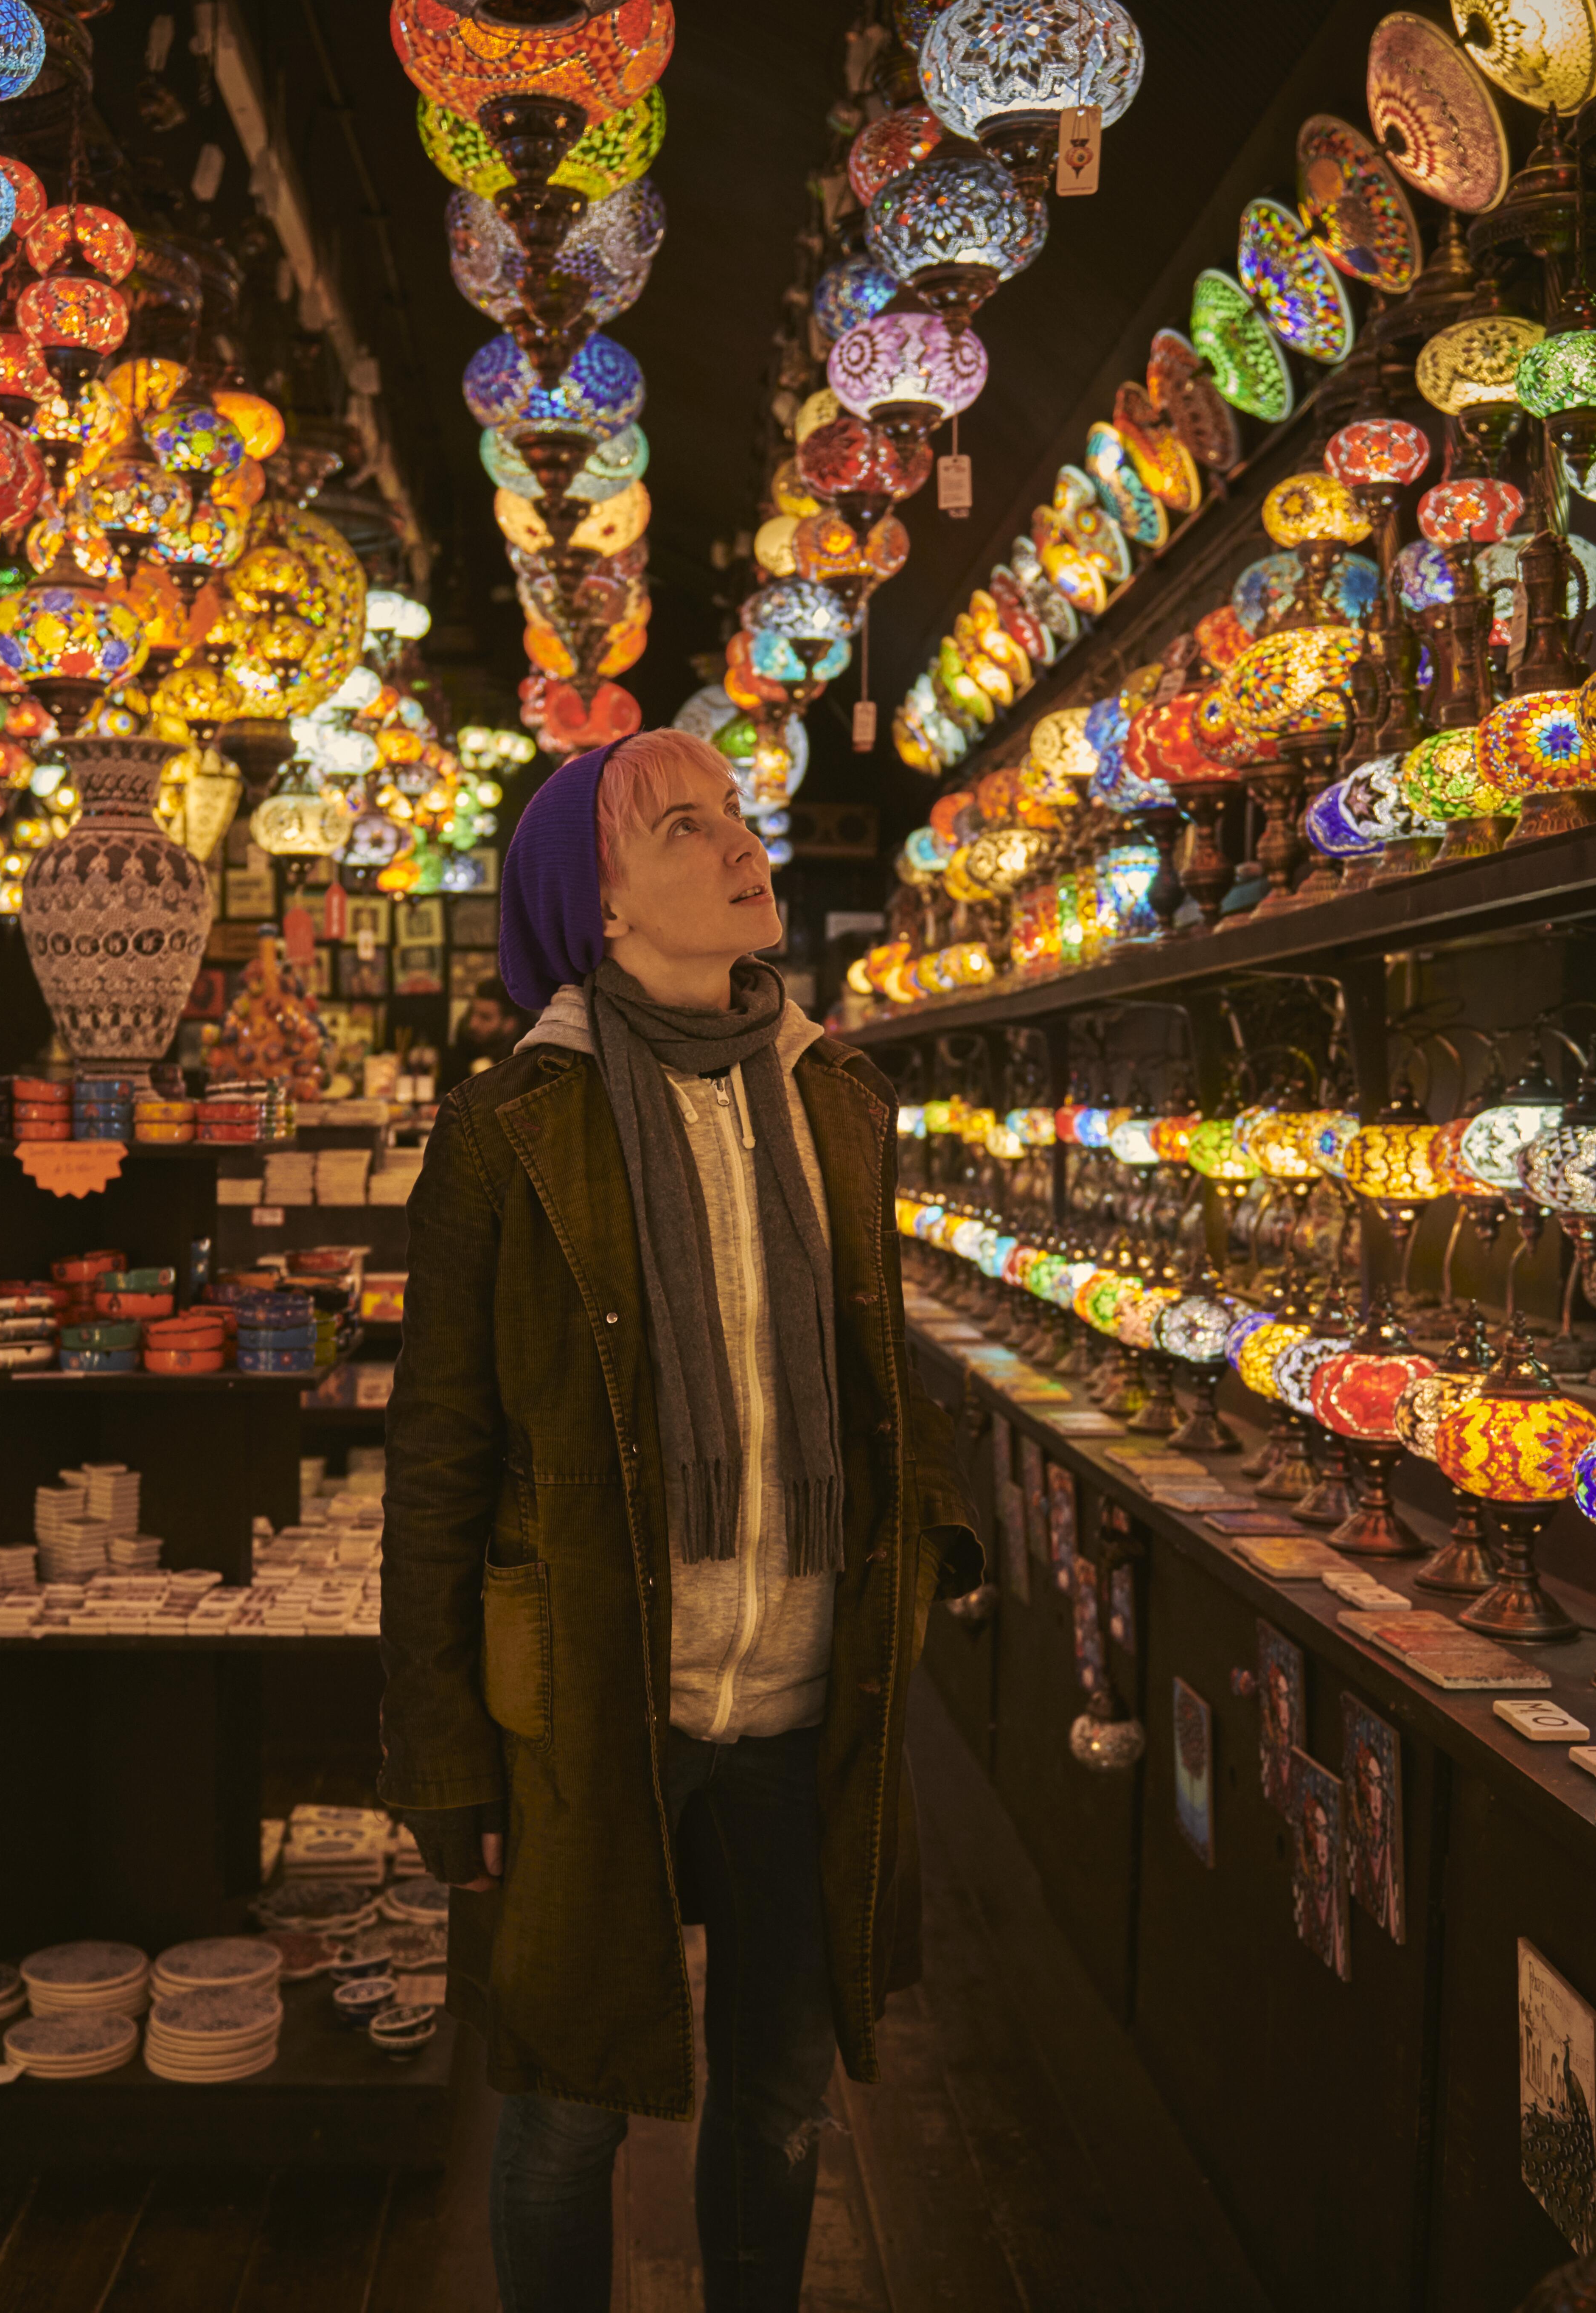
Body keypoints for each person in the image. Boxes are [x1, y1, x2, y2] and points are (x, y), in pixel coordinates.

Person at [378, 729, 978, 2313]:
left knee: (778, 2113)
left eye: (737, 815)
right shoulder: (513, 1126)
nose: (739, 844)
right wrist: (442, 1754)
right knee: (567, 2107)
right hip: (596, 1697)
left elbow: (863, 1376)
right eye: (686, 828)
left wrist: (934, 1540)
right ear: (600, 908)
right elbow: (438, 1449)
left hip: (805, 1693)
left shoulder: (836, 1100)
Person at [441, 983, 526, 1088]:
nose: (473, 1024)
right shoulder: (465, 1042)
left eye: (486, 1018)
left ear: (510, 1024)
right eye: (471, 1013)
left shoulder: (527, 1058)